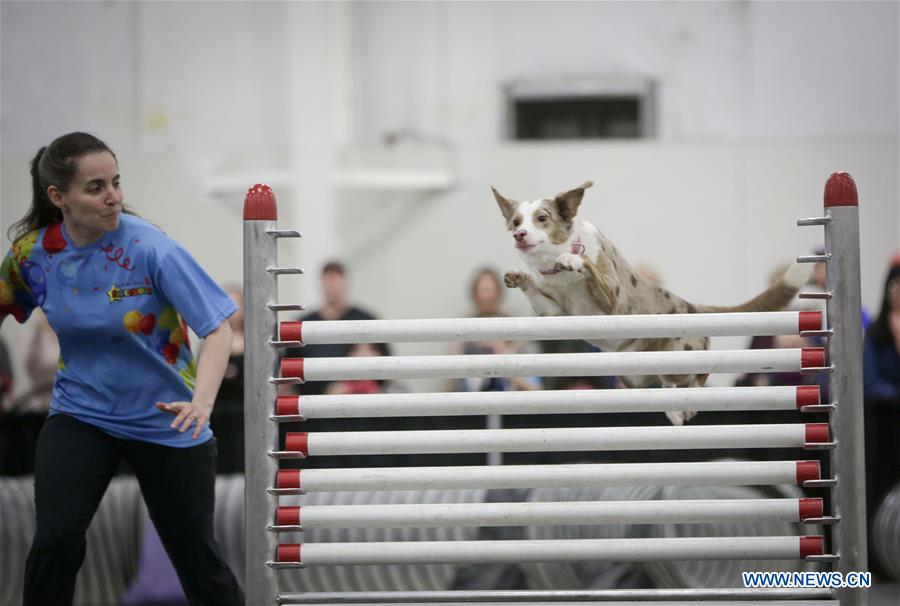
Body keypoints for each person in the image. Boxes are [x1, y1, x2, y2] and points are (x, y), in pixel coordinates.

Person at [0, 132, 244, 605]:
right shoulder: (34, 256)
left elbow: (217, 330)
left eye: (116, 182)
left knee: (198, 562)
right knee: (55, 542)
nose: (113, 196)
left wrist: (202, 403)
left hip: (167, 419)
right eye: (95, 187)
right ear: (59, 197)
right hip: (82, 415)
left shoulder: (152, 249)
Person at [282, 260, 376, 396]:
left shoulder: (365, 321)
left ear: (346, 284)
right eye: (328, 282)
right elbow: (287, 373)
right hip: (311, 406)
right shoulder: (303, 325)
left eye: (336, 281)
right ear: (320, 284)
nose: (332, 287)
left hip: (356, 405)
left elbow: (382, 366)